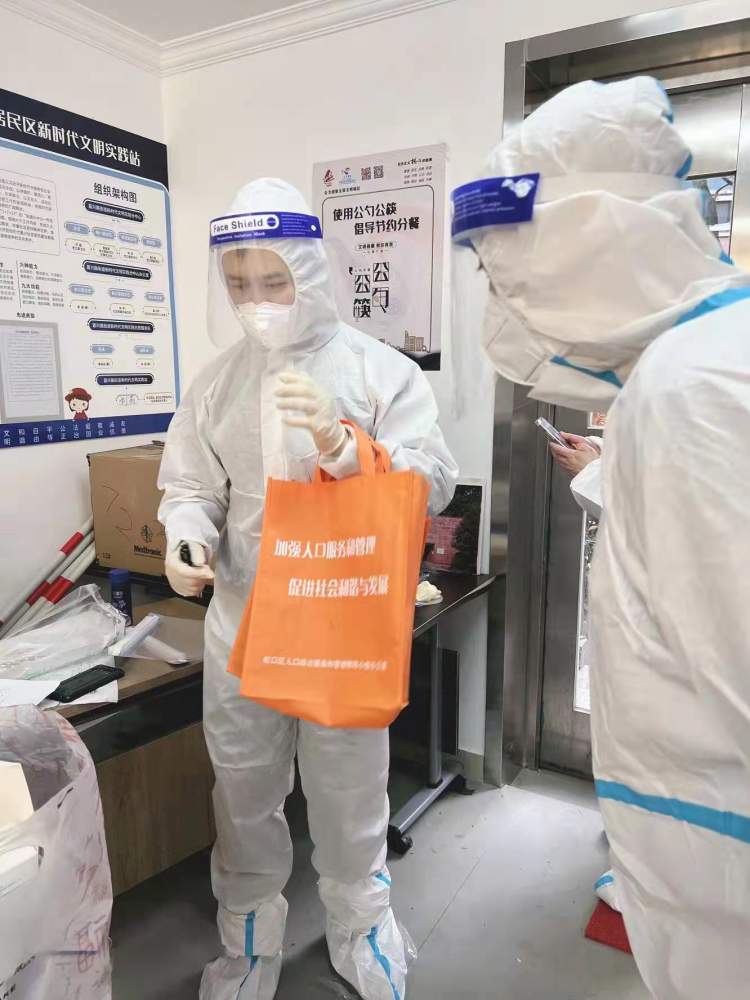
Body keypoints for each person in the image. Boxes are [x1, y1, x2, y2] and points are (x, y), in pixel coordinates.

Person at [458, 76, 750, 998]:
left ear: (585, 240)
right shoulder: (694, 365)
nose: (501, 306)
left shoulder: (693, 388)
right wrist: (607, 468)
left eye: (503, 272)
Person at [158, 178, 457, 1000]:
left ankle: (361, 928)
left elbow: (433, 480)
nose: (256, 300)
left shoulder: (378, 370)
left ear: (312, 272)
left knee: (349, 790)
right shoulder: (216, 383)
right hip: (244, 621)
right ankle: (250, 941)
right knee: (243, 790)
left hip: (342, 625)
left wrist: (346, 445)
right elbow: (191, 485)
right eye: (238, 283)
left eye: (274, 279)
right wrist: (187, 535)